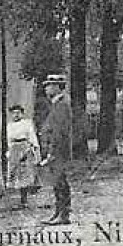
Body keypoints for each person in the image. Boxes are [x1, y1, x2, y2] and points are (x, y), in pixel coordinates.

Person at [37, 74, 74, 226]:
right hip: (56, 150)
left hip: (58, 150)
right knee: (57, 181)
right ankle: (59, 212)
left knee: (60, 182)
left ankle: (63, 214)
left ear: (58, 87)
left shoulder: (61, 105)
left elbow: (59, 131)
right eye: (46, 85)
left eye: (50, 85)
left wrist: (52, 152)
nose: (46, 88)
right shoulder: (56, 104)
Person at [5, 105, 41, 208]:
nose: (16, 115)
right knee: (15, 173)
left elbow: (31, 136)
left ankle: (24, 200)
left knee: (24, 173)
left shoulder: (26, 123)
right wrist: (9, 151)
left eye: (18, 113)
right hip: (14, 149)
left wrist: (33, 148)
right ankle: (20, 199)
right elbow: (9, 139)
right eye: (14, 113)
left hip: (24, 147)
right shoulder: (10, 125)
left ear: (22, 114)